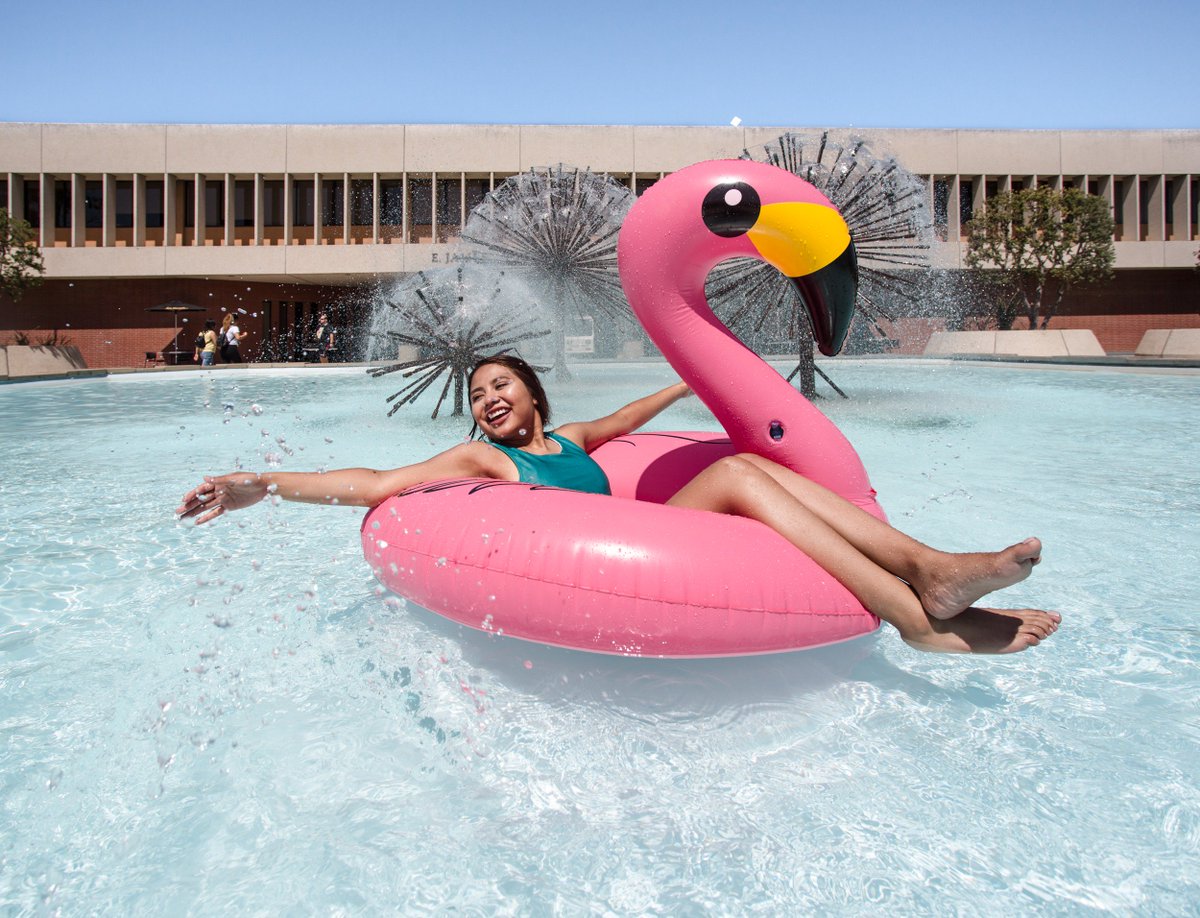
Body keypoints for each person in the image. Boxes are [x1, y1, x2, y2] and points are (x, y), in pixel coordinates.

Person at [178, 354, 1060, 655]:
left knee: (751, 467)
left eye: (500, 386)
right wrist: (261, 486)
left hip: (668, 527)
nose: (487, 399)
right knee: (749, 481)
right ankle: (923, 588)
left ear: (531, 394)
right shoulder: (486, 460)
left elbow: (628, 418)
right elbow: (374, 486)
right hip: (631, 557)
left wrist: (689, 380)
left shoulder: (571, 443)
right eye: (477, 391)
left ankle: (924, 594)